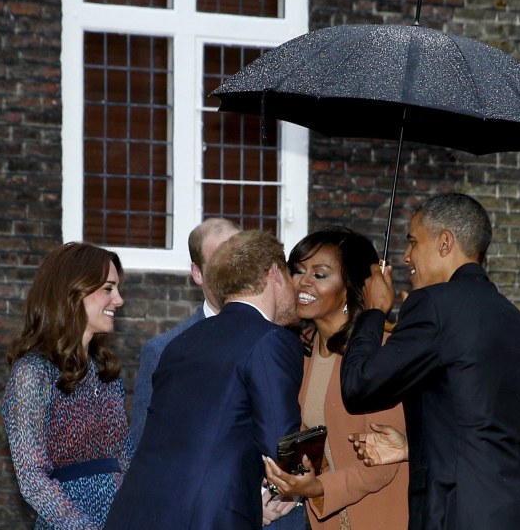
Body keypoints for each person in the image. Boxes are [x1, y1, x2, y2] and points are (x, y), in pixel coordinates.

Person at [340, 193, 520, 530]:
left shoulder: (433, 304)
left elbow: (359, 386)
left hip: (460, 515)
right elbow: (486, 433)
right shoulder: (516, 321)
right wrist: (411, 448)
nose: (405, 256)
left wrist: (373, 311)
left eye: (413, 242)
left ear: (445, 243)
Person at [105, 230, 304, 530]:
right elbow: (280, 449)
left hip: (136, 512)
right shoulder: (270, 340)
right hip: (207, 518)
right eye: (291, 275)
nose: (295, 288)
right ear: (275, 273)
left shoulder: (181, 341)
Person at [263, 227, 409, 530]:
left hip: (381, 517)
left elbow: (382, 465)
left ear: (351, 287)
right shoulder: (304, 348)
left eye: (320, 275)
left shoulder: (378, 352)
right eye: (298, 270)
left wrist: (319, 489)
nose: (303, 282)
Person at [1, 242, 131, 529]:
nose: (118, 300)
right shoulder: (33, 373)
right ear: (73, 291)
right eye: (108, 289)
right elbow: (32, 477)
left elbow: (125, 458)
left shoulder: (106, 373)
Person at [129, 217, 240, 449]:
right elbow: (143, 445)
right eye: (219, 265)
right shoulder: (162, 351)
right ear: (197, 273)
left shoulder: (275, 338)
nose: (232, 275)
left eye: (239, 262)